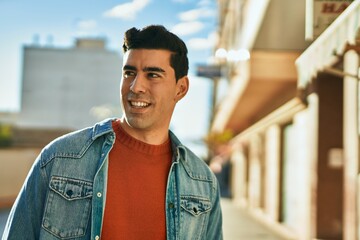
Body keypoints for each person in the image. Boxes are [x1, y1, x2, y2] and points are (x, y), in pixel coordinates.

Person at [2, 25, 223, 240]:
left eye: (153, 75)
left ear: (181, 88)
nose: (136, 86)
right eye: (129, 73)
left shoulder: (202, 182)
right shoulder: (59, 157)